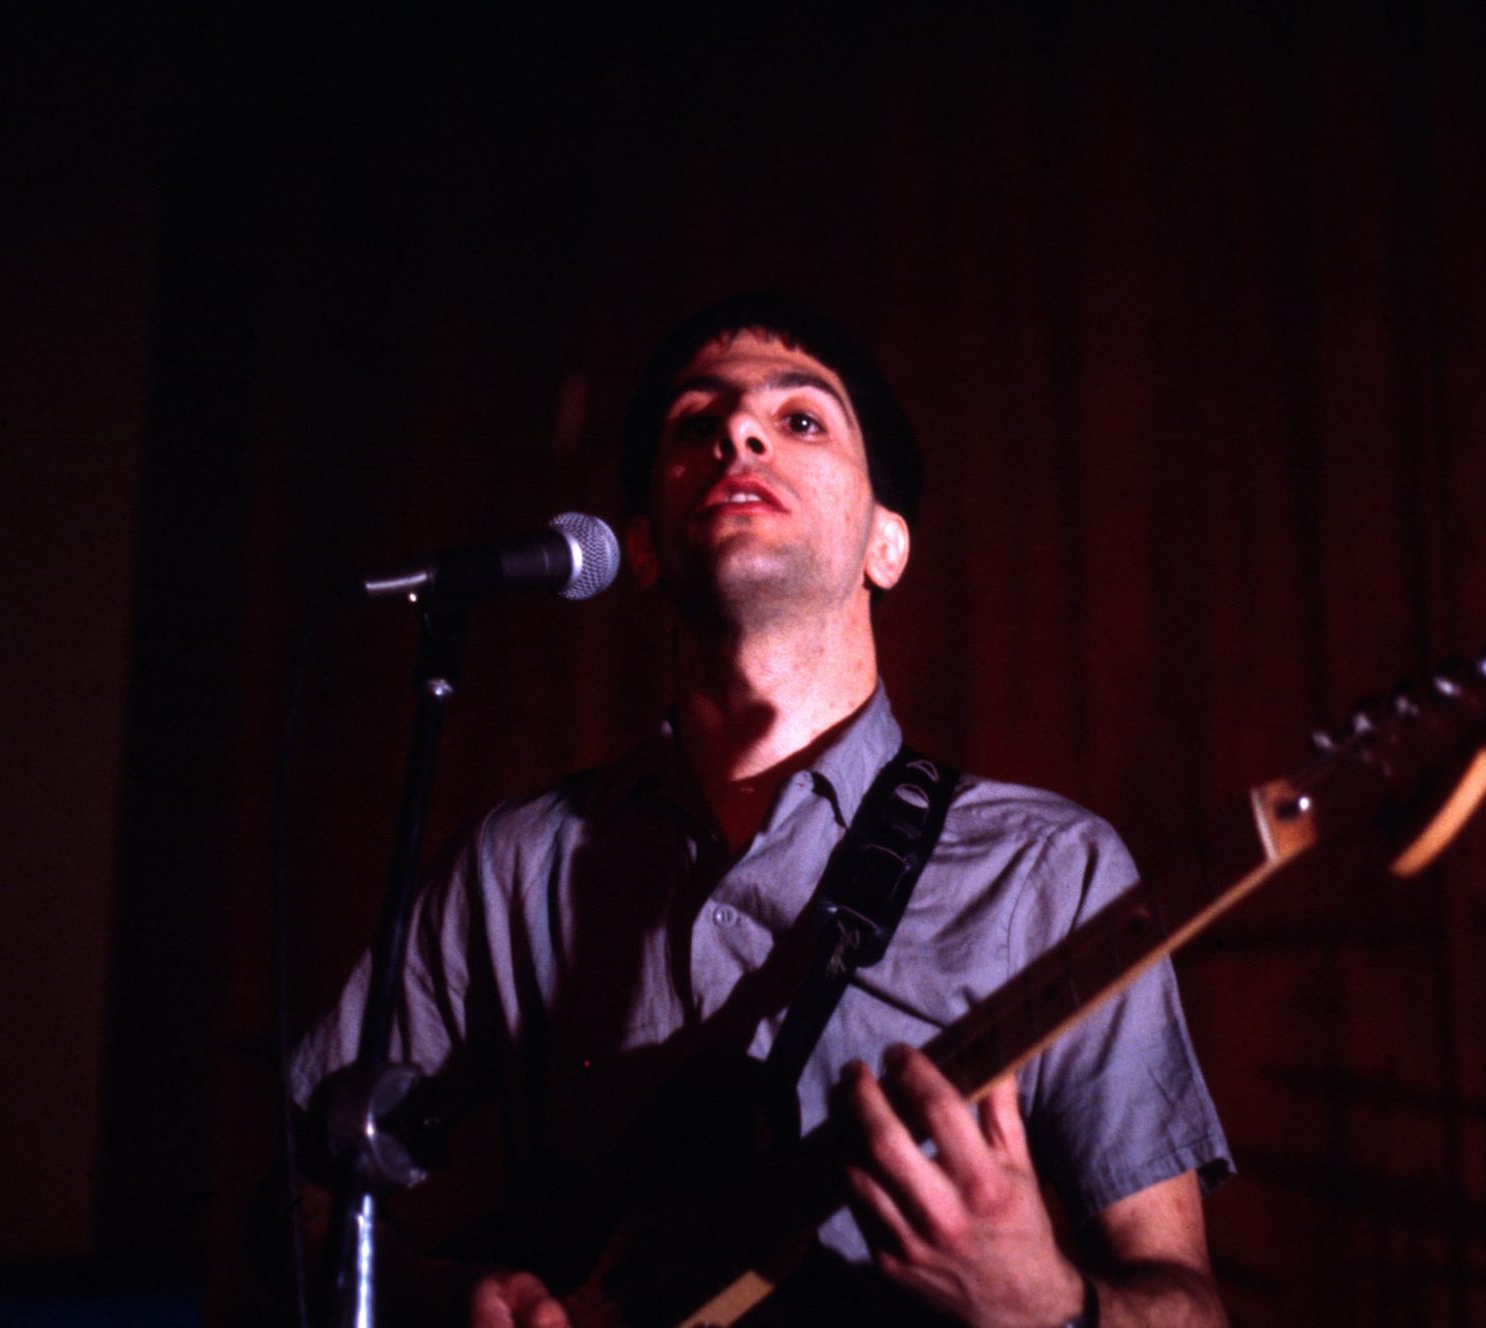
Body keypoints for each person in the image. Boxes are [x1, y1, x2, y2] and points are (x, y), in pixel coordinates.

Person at [291, 295, 1232, 1327]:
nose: (737, 430)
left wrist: (1050, 1305)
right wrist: (450, 1296)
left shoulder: (1048, 870)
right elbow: (300, 1187)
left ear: (886, 545)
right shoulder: (514, 865)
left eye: (800, 419)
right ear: (640, 548)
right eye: (696, 422)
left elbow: (1186, 1299)